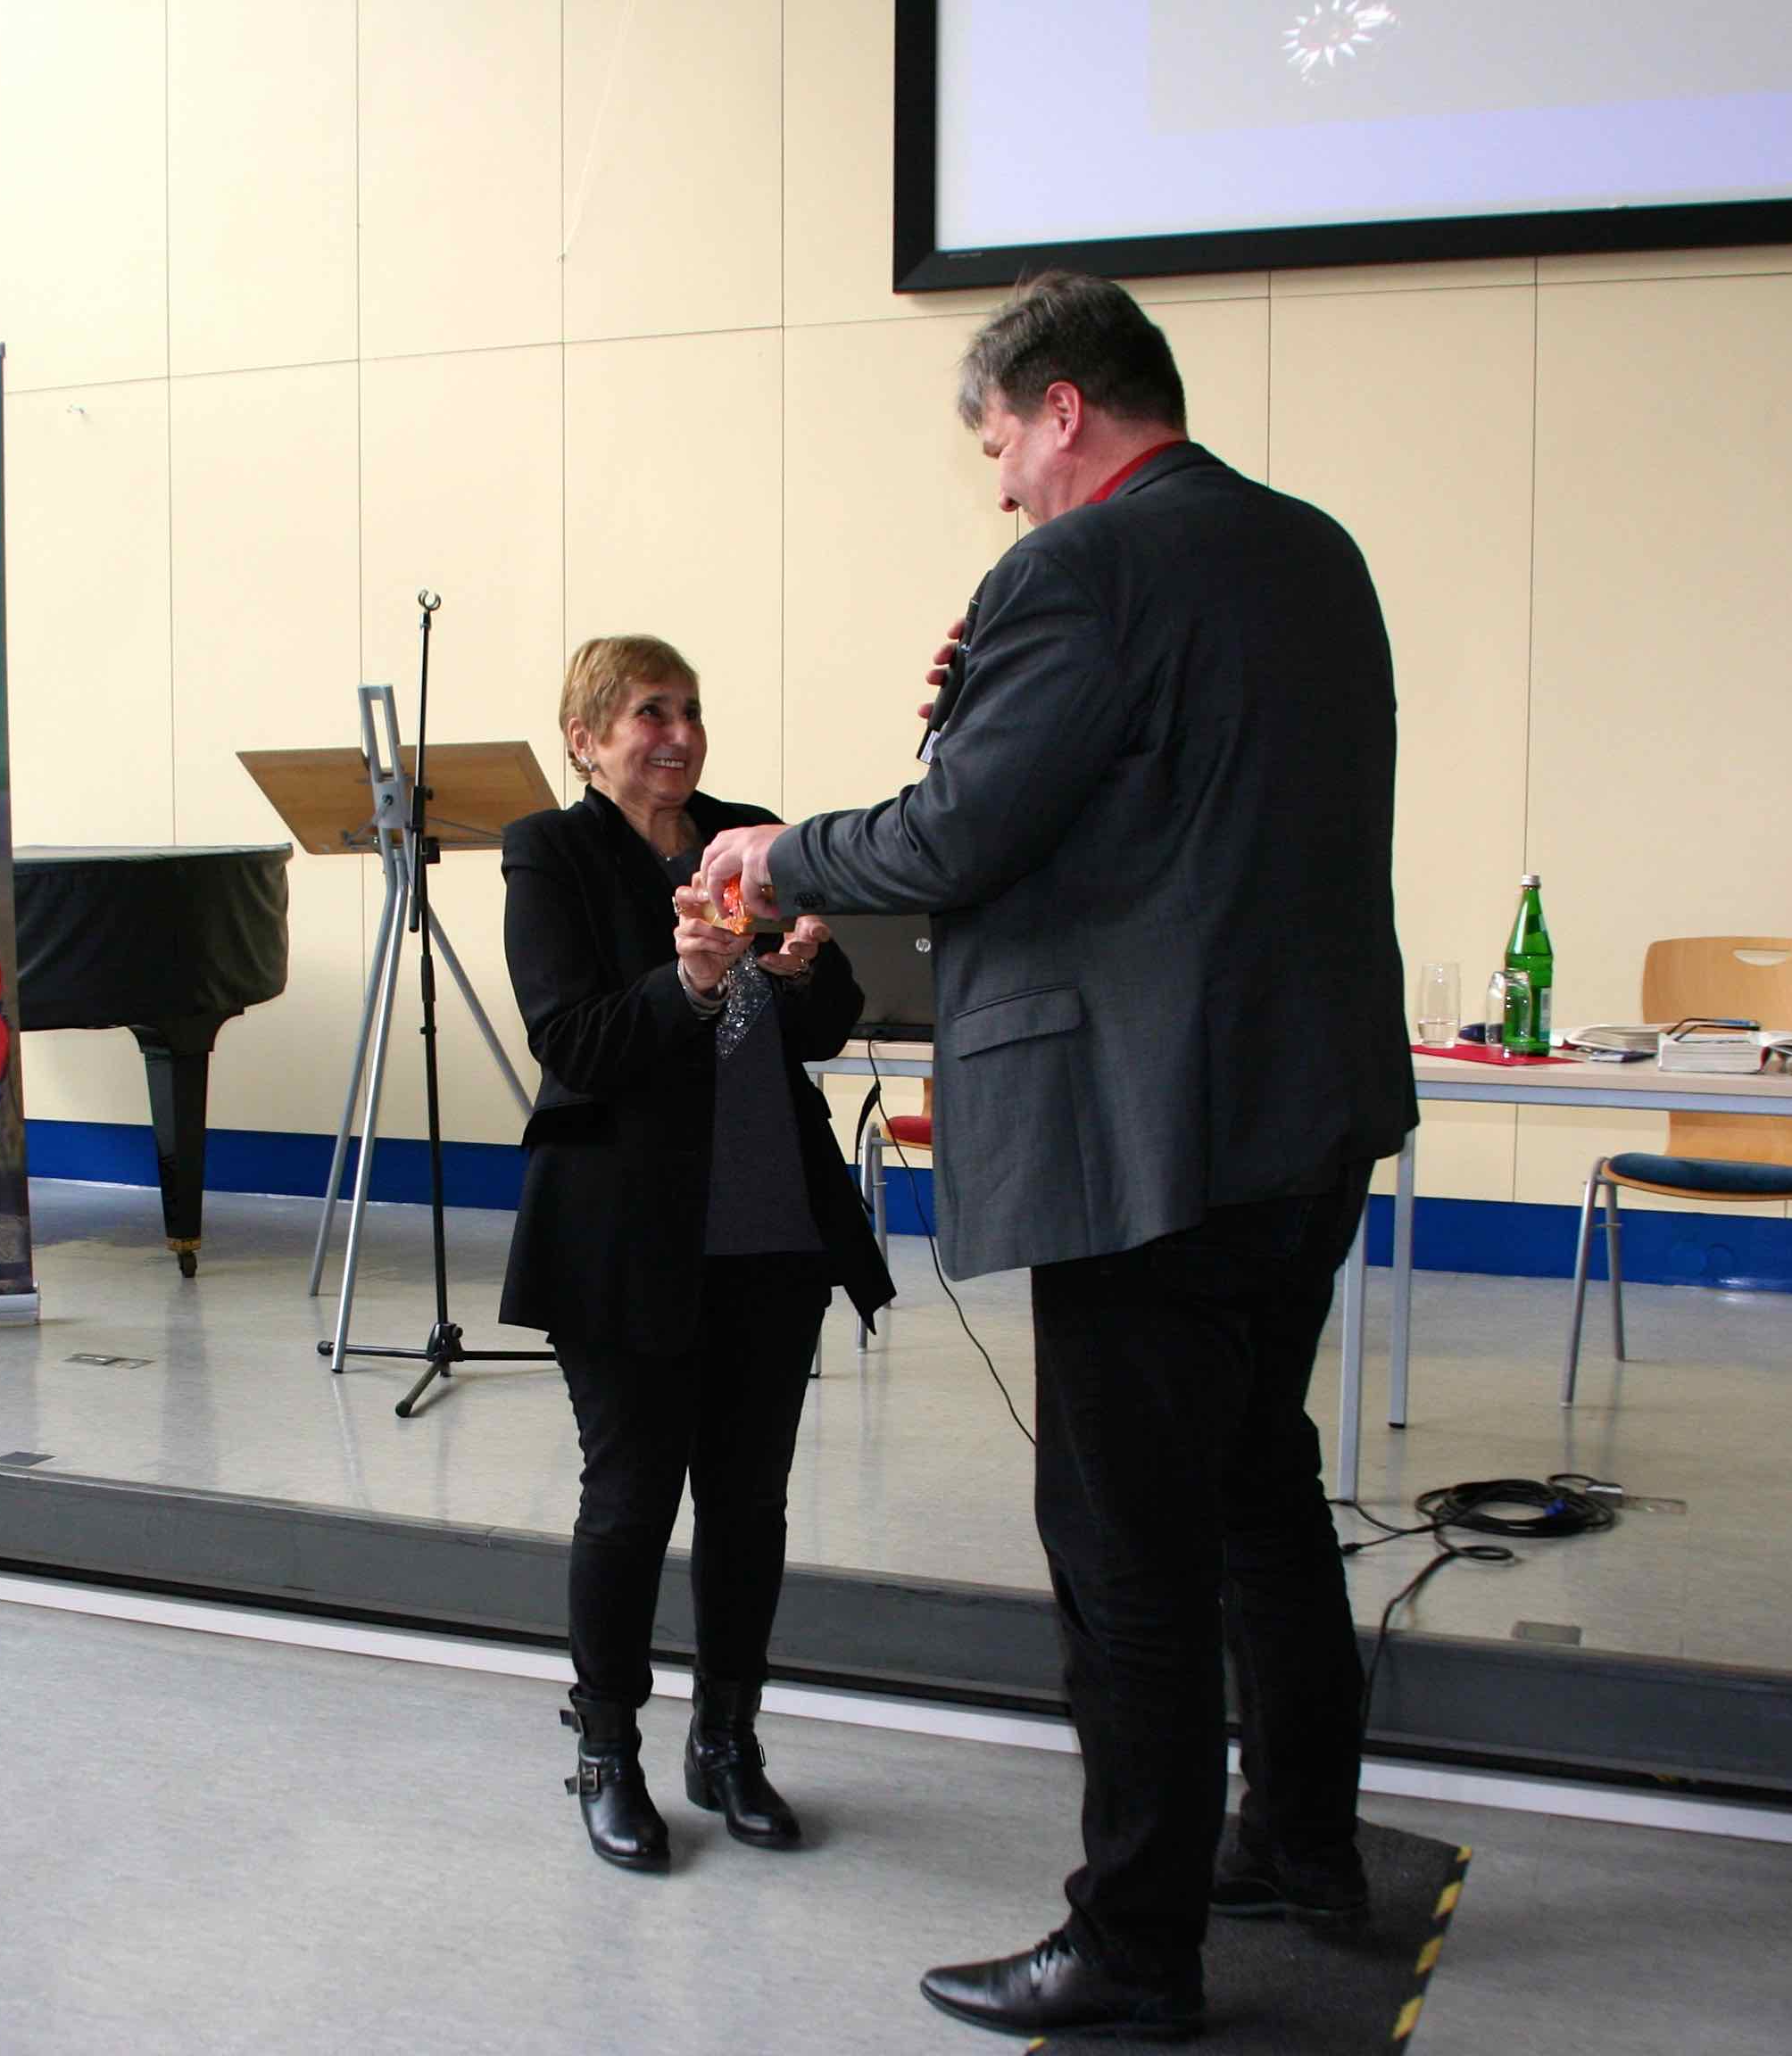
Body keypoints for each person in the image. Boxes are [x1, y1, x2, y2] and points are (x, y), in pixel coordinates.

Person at [696, 273, 1415, 2039]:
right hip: (1308, 1108)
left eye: (1001, 443)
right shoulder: (1313, 552)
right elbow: (1167, 808)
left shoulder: (1077, 568)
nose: (1002, 482)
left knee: (1123, 1542)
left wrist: (781, 854)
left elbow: (964, 834)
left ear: (1065, 407)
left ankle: (1134, 1948)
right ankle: (1300, 1842)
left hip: (1146, 1131)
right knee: (1256, 1482)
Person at [499, 634, 894, 1874]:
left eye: (691, 711)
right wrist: (688, 983)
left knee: (749, 1501)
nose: (678, 735)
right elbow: (574, 1040)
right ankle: (607, 1750)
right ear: (585, 739)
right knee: (629, 1503)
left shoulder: (746, 838)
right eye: (648, 713)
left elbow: (828, 1023)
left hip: (770, 1223)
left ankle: (727, 1740)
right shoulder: (551, 851)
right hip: (624, 1234)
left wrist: (798, 968)